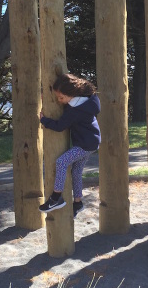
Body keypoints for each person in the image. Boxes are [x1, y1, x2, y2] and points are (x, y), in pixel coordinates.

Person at [39, 73, 101, 218]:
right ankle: (78, 202)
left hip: (84, 145)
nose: (59, 101)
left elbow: (60, 126)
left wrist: (44, 120)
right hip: (91, 142)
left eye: (61, 98)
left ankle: (56, 198)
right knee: (76, 171)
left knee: (61, 162)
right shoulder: (87, 101)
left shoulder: (75, 111)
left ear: (71, 94)